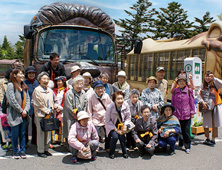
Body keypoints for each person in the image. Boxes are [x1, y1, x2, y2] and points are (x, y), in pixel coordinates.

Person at [6, 69, 30, 159]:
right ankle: (16, 151)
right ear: (15, 75)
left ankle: (22, 151)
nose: (22, 75)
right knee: (15, 133)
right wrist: (21, 110)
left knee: (23, 133)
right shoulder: (11, 85)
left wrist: (26, 111)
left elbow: (28, 100)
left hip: (24, 114)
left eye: (22, 74)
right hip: (15, 114)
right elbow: (12, 100)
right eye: (20, 74)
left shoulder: (24, 86)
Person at [63, 75, 87, 157]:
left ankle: (77, 146)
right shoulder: (69, 93)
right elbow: (68, 106)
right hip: (70, 116)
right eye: (78, 84)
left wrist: (81, 115)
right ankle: (70, 147)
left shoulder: (83, 93)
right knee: (70, 130)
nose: (80, 86)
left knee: (78, 131)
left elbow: (85, 104)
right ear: (73, 85)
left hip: (80, 116)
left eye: (81, 84)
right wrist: (74, 115)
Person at [171, 74, 195, 154]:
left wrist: (192, 112)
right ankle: (180, 143)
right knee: (179, 130)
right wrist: (172, 112)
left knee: (186, 130)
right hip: (177, 114)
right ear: (178, 82)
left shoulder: (189, 91)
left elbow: (192, 103)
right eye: (180, 81)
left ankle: (187, 145)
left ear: (185, 82)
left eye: (183, 81)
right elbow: (173, 103)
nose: (181, 83)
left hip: (186, 114)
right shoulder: (175, 91)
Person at [32, 72, 54, 158]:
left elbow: (51, 101)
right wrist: (47, 111)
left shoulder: (50, 90)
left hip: (49, 114)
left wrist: (51, 109)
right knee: (41, 133)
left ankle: (46, 149)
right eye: (44, 79)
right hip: (41, 114)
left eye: (47, 79)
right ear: (39, 80)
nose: (46, 81)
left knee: (48, 133)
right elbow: (38, 103)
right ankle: (40, 150)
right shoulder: (37, 90)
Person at [197, 71, 222, 145]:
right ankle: (207, 137)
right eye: (206, 76)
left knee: (214, 123)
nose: (207, 78)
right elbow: (198, 94)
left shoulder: (215, 83)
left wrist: (215, 78)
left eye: (209, 76)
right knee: (206, 122)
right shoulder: (202, 85)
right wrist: (202, 102)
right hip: (206, 106)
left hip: (215, 105)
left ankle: (213, 138)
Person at [105, 91, 131, 159]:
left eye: (121, 98)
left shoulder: (126, 105)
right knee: (115, 137)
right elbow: (107, 120)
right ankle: (111, 152)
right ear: (114, 100)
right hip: (112, 126)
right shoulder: (110, 107)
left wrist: (125, 126)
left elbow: (128, 117)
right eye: (118, 99)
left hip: (122, 125)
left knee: (122, 137)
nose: (120, 100)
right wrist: (116, 129)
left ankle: (124, 152)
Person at [87, 81, 112, 150]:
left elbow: (110, 107)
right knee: (95, 135)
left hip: (105, 117)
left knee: (108, 133)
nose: (100, 90)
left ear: (104, 88)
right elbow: (89, 110)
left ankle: (107, 147)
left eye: (101, 88)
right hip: (96, 118)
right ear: (95, 89)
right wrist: (90, 121)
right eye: (98, 88)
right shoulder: (91, 97)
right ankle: (95, 148)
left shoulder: (106, 96)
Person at [24, 66, 39, 145]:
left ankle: (35, 141)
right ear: (26, 74)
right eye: (29, 73)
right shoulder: (24, 83)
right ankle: (25, 142)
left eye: (33, 73)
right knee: (26, 125)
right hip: (27, 107)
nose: (31, 74)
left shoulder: (37, 82)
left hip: (36, 107)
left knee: (35, 124)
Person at [52, 76, 68, 144]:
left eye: (60, 81)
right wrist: (55, 107)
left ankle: (62, 139)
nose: (58, 83)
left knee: (62, 124)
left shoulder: (66, 91)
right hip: (55, 109)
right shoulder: (54, 90)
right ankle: (55, 138)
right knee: (55, 124)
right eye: (57, 81)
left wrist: (60, 107)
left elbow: (66, 101)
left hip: (63, 110)